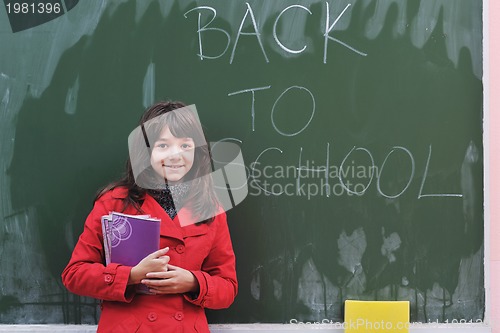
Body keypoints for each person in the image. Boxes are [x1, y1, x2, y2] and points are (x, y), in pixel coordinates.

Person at [62, 101, 237, 333]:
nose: (176, 155)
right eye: (163, 145)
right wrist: (131, 276)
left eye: (185, 145)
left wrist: (193, 282)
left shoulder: (209, 207)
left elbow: (227, 287)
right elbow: (74, 274)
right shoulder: (114, 202)